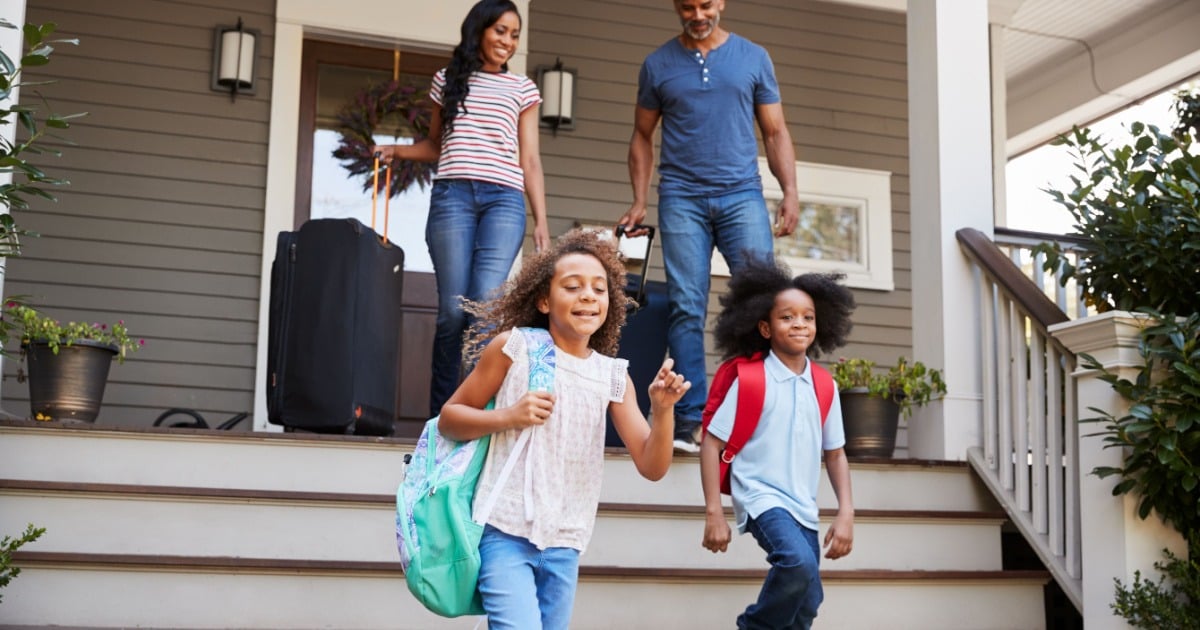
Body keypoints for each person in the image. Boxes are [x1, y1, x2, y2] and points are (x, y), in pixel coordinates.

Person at [438, 229, 691, 629]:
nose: (588, 296)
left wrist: (662, 412)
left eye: (599, 289)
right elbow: (450, 419)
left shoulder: (612, 376)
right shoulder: (514, 348)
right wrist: (509, 416)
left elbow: (652, 466)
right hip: (504, 531)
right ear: (543, 300)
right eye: (572, 286)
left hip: (566, 541)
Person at [618, 0, 802, 453]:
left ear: (721, 3)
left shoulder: (753, 57)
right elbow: (642, 134)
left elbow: (775, 131)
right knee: (685, 305)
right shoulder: (658, 65)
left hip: (743, 195)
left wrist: (791, 191)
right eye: (687, 6)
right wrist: (640, 199)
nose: (697, 14)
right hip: (681, 197)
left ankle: (761, 413)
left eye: (705, 4)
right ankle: (690, 420)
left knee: (761, 304)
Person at [373, 0, 550, 417]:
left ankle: (478, 412)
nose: (507, 41)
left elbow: (530, 160)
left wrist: (540, 219)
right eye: (500, 31)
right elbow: (435, 146)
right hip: (453, 197)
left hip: (504, 201)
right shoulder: (447, 80)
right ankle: (441, 416)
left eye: (514, 34)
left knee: (484, 312)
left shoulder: (522, 89)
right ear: (479, 31)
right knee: (453, 312)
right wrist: (394, 150)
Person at [700, 255, 856, 629]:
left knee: (808, 599)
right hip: (760, 496)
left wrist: (846, 511)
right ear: (765, 328)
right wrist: (713, 512)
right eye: (787, 317)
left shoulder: (824, 385)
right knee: (797, 564)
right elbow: (711, 444)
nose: (799, 324)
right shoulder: (751, 379)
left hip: (804, 504)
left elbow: (835, 454)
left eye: (808, 316)